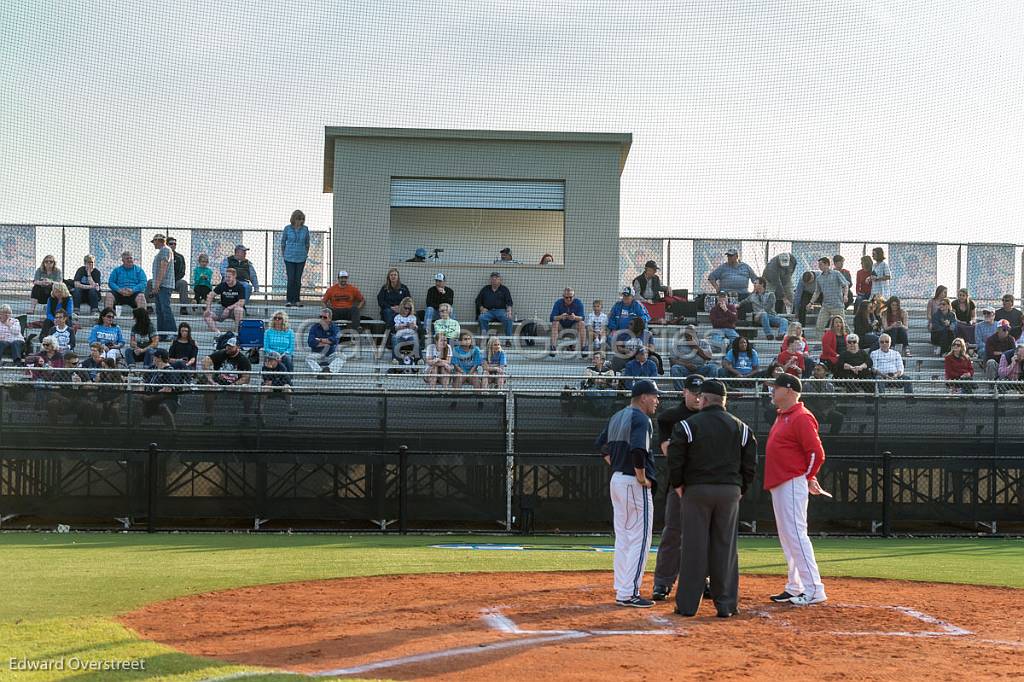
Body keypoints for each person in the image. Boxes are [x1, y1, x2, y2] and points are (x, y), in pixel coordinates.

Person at [667, 379, 756, 618]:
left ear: (703, 399)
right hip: (729, 491)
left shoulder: (687, 425)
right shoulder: (742, 428)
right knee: (725, 548)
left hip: (696, 491)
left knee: (694, 548)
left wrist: (678, 484)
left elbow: (675, 458)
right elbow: (750, 465)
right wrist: (741, 488)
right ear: (724, 401)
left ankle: (687, 606)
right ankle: (726, 605)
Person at [594, 379, 660, 608]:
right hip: (633, 482)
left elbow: (600, 445)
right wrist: (641, 477)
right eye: (654, 396)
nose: (657, 400)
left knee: (623, 537)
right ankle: (629, 592)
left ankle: (622, 587)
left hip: (617, 480)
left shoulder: (618, 416)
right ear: (643, 397)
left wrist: (616, 464)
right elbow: (639, 449)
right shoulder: (641, 418)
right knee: (640, 539)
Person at [764, 373, 828, 606]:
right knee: (788, 537)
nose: (772, 391)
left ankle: (814, 589)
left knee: (796, 535)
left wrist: (808, 476)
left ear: (789, 390)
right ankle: (795, 586)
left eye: (776, 387)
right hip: (782, 482)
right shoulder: (784, 415)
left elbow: (816, 453)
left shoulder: (801, 416)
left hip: (791, 481)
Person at [650, 373, 704, 602]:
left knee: (704, 535)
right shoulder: (670, 417)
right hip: (680, 482)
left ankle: (704, 580)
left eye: (702, 394)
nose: (698, 398)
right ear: (685, 392)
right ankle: (663, 582)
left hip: (704, 482)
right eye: (694, 393)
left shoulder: (711, 416)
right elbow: (668, 451)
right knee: (673, 532)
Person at [199, 337, 254, 425]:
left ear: (237, 347)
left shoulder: (244, 360)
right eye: (227, 346)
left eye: (231, 346)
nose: (228, 348)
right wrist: (210, 379)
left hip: (236, 384)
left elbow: (246, 377)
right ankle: (209, 416)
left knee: (247, 389)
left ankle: (246, 416)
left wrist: (235, 384)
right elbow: (205, 361)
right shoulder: (221, 353)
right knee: (208, 387)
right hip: (218, 383)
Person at [138, 348, 184, 429]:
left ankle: (172, 431)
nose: (153, 358)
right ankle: (135, 429)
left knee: (163, 406)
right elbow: (142, 382)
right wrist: (142, 393)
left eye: (154, 356)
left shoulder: (170, 371)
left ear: (159, 358)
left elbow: (167, 390)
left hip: (168, 399)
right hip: (150, 398)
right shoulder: (152, 368)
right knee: (137, 404)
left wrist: (149, 398)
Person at [669, 325, 719, 390]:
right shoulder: (678, 344)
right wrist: (686, 365)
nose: (689, 335)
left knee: (713, 367)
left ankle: (709, 391)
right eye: (687, 333)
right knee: (675, 368)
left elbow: (708, 357)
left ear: (696, 333)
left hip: (700, 368)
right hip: (685, 369)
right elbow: (672, 361)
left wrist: (694, 346)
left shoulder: (703, 343)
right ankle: (681, 393)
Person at [802, 363, 845, 435]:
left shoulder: (829, 385)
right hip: (812, 412)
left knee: (839, 417)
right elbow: (805, 402)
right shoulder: (807, 384)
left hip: (825, 411)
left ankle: (833, 438)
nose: (815, 372)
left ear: (825, 372)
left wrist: (826, 411)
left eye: (818, 370)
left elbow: (833, 402)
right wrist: (815, 411)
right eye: (814, 370)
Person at [810, 257, 849, 335]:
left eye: (821, 264)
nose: (819, 266)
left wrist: (845, 295)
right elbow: (817, 292)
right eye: (819, 265)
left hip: (837, 305)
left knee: (843, 326)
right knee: (819, 326)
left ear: (827, 264)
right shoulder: (819, 278)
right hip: (826, 306)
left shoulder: (836, 273)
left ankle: (850, 340)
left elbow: (845, 285)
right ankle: (821, 344)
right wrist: (811, 302)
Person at [256, 351, 298, 423]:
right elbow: (267, 381)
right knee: (264, 388)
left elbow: (287, 381)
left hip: (281, 390)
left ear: (276, 361)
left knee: (287, 387)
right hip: (271, 390)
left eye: (271, 360)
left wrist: (273, 382)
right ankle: (260, 410)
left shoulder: (282, 367)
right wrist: (269, 370)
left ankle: (290, 408)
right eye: (268, 359)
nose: (268, 361)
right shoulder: (265, 367)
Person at [281, 209, 311, 307]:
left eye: (302, 219)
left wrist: (305, 253)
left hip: (301, 258)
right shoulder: (287, 228)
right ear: (293, 219)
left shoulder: (305, 229)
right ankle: (289, 300)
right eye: (298, 219)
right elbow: (283, 242)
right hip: (289, 257)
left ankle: (297, 300)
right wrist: (284, 253)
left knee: (298, 279)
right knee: (291, 279)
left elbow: (307, 243)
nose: (300, 221)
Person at [203, 267, 246, 333]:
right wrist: (208, 309)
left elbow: (241, 302)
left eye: (229, 277)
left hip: (234, 310)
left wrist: (229, 308)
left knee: (239, 309)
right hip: (223, 308)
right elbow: (210, 295)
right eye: (225, 277)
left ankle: (238, 332)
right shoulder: (222, 285)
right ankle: (217, 332)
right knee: (206, 315)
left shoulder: (240, 286)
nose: (227, 279)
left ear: (234, 276)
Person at [150, 233, 177, 337]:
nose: (153, 244)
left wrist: (157, 284)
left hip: (164, 285)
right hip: (161, 285)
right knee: (160, 310)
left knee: (165, 309)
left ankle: (172, 332)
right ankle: (162, 333)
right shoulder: (162, 251)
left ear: (159, 240)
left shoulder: (165, 250)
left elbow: (163, 267)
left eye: (154, 241)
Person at [475, 272, 515, 338]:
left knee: (509, 319)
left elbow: (509, 302)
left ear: (500, 280)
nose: (494, 280)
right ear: (490, 280)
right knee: (482, 318)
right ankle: (485, 338)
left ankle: (508, 339)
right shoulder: (485, 289)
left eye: (496, 279)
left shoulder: (504, 289)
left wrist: (509, 311)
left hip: (501, 311)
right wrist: (481, 308)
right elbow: (478, 300)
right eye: (492, 279)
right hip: (488, 311)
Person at [548, 287, 585, 357]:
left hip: (573, 327)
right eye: (566, 297)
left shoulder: (578, 303)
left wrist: (575, 317)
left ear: (574, 297)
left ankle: (583, 348)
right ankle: (553, 347)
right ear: (563, 297)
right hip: (561, 327)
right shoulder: (558, 303)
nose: (568, 299)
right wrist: (560, 317)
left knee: (582, 323)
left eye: (570, 297)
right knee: (555, 322)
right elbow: (552, 317)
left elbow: (582, 317)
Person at [306, 309, 343, 374]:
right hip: (317, 354)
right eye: (320, 317)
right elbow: (311, 342)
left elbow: (335, 341)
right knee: (308, 358)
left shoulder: (335, 327)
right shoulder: (314, 327)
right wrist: (328, 342)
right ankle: (319, 373)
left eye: (325, 317)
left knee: (342, 356)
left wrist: (320, 340)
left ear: (330, 319)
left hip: (330, 354)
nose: (322, 319)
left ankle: (329, 371)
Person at [165, 236, 190, 316]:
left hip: (175, 281)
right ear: (166, 244)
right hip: (163, 282)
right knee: (151, 282)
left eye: (175, 244)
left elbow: (182, 272)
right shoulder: (161, 256)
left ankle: (183, 308)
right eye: (171, 243)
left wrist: (173, 280)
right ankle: (149, 307)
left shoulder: (180, 257)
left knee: (183, 283)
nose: (173, 245)